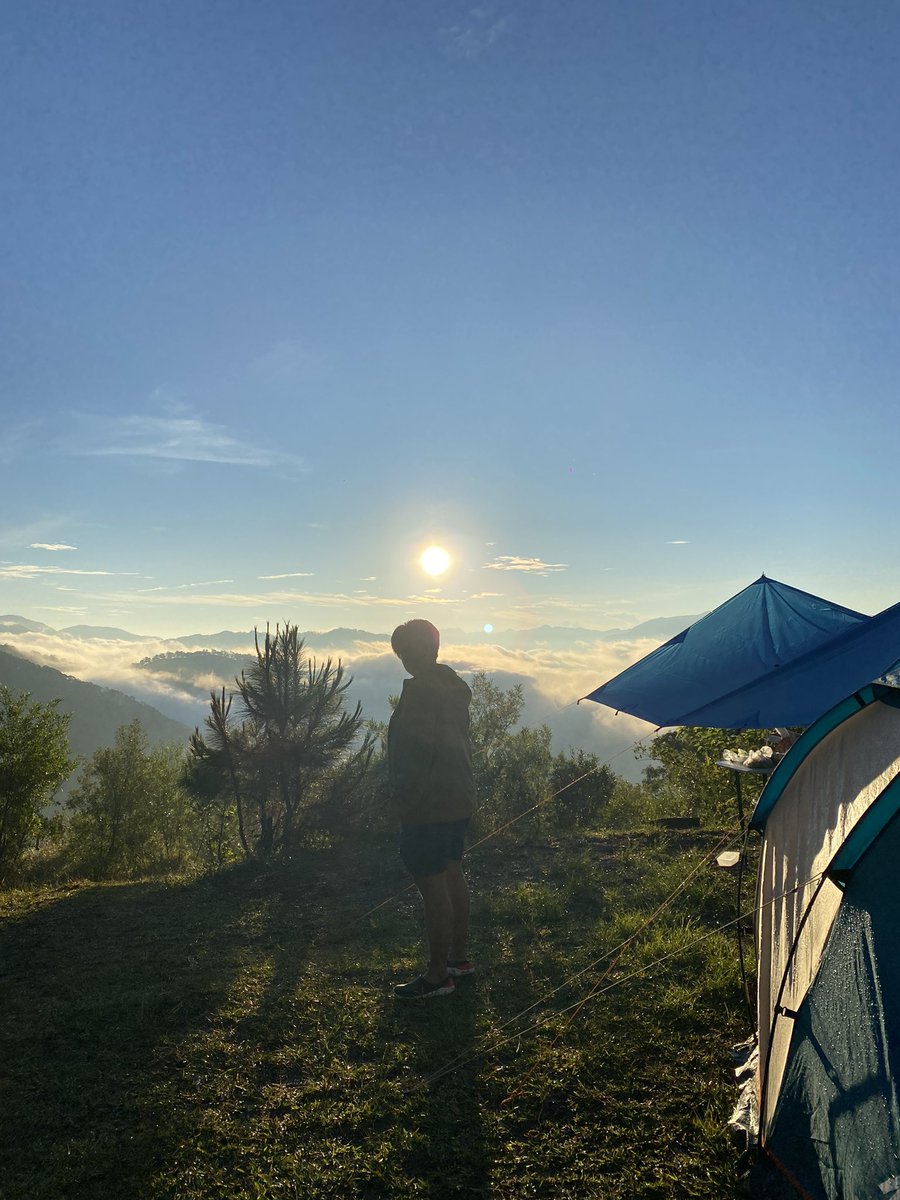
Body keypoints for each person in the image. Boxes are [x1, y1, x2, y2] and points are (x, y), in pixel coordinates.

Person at [388, 618, 476, 999]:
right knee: (453, 873)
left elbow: (418, 755)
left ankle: (438, 975)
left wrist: (404, 802)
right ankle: (458, 957)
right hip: (458, 797)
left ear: (413, 653)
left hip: (429, 804)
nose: (403, 660)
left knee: (432, 887)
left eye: (403, 652)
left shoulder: (422, 693)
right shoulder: (452, 687)